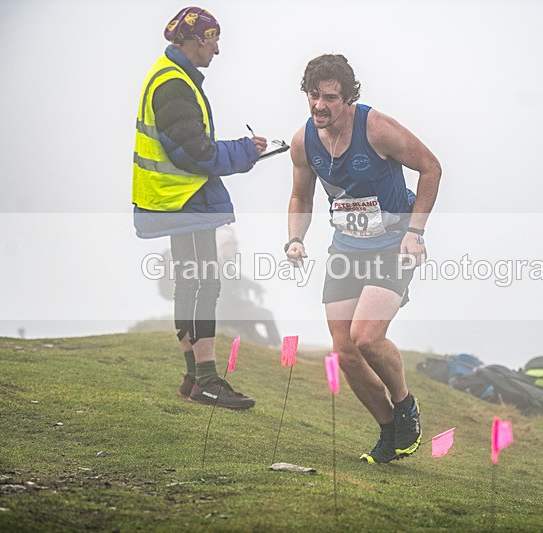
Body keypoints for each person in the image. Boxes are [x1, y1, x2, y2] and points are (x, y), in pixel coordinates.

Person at [284, 54, 442, 464]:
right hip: (347, 248)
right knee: (344, 352)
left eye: (330, 98)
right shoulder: (303, 141)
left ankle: (405, 404)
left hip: (393, 244)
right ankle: (390, 430)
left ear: (348, 98)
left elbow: (431, 168)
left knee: (366, 337)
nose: (319, 105)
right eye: (313, 95)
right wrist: (295, 239)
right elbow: (301, 195)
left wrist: (415, 232)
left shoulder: (375, 128)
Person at [132, 7, 267, 410]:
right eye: (213, 40)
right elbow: (197, 153)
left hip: (174, 198)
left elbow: (189, 146)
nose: (218, 50)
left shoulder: (170, 74)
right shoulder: (174, 84)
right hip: (183, 198)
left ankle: (194, 377)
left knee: (190, 283)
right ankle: (207, 379)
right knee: (204, 284)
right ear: (196, 40)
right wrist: (246, 151)